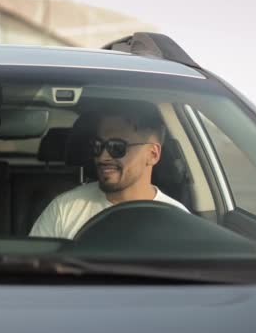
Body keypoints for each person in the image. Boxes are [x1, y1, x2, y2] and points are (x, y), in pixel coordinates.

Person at [29, 101, 188, 239]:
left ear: (152, 154)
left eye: (117, 147)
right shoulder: (64, 209)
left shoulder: (178, 221)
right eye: (98, 146)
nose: (102, 157)